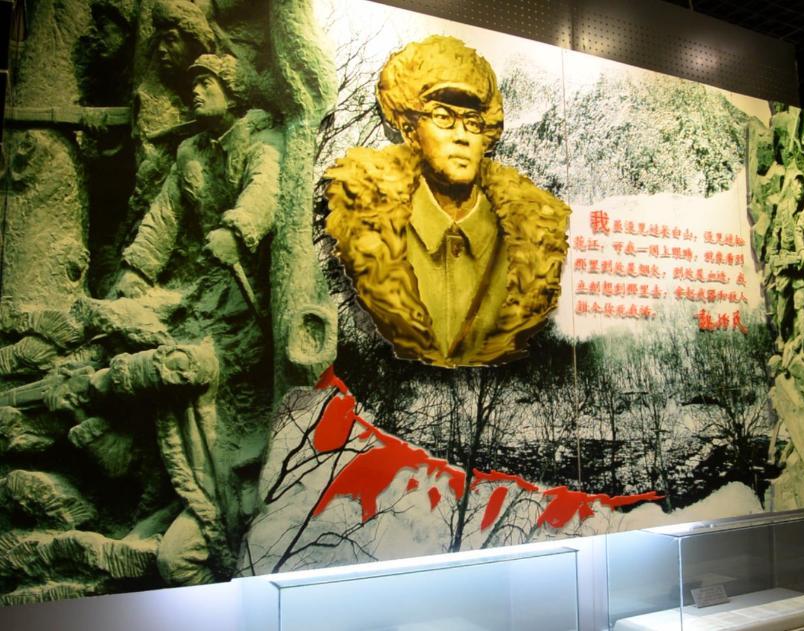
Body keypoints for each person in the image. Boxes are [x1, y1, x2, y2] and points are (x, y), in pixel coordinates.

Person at [112, 53, 282, 585]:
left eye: (206, 82)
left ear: (233, 92)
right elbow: (164, 216)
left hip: (243, 295)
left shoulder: (262, 141)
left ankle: (213, 494)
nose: (195, 92)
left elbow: (265, 188)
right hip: (202, 288)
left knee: (198, 377)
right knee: (130, 330)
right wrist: (137, 269)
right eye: (193, 83)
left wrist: (238, 228)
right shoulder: (190, 152)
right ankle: (168, 484)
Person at [323, 35, 571, 368]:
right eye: (443, 116)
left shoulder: (535, 241)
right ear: (410, 131)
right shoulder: (369, 230)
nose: (462, 135)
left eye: (473, 122)